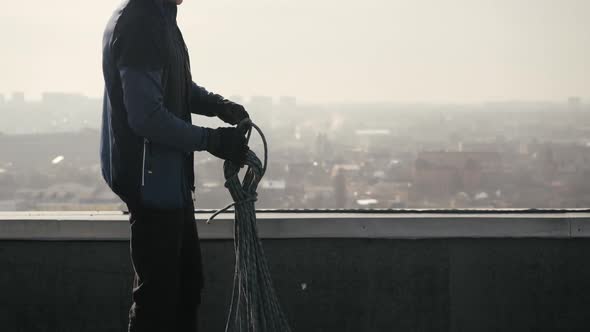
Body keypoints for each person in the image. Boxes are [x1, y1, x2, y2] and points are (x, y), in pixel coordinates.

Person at [99, 0, 250, 330]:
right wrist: (214, 141)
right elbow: (147, 117)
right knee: (158, 302)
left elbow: (175, 87)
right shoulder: (140, 23)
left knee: (184, 289)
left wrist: (219, 106)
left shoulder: (158, 17)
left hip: (168, 183)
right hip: (151, 185)